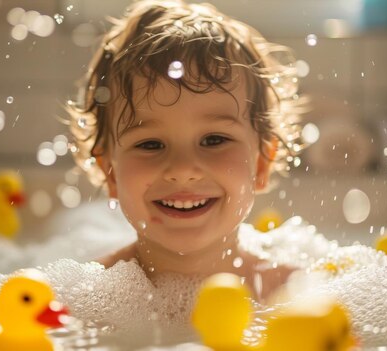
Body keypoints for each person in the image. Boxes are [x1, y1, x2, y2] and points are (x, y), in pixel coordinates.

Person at [67, 0, 306, 301]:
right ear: (109, 172)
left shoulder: (293, 293)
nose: (183, 169)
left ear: (261, 163)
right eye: (150, 144)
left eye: (214, 140)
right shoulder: (86, 298)